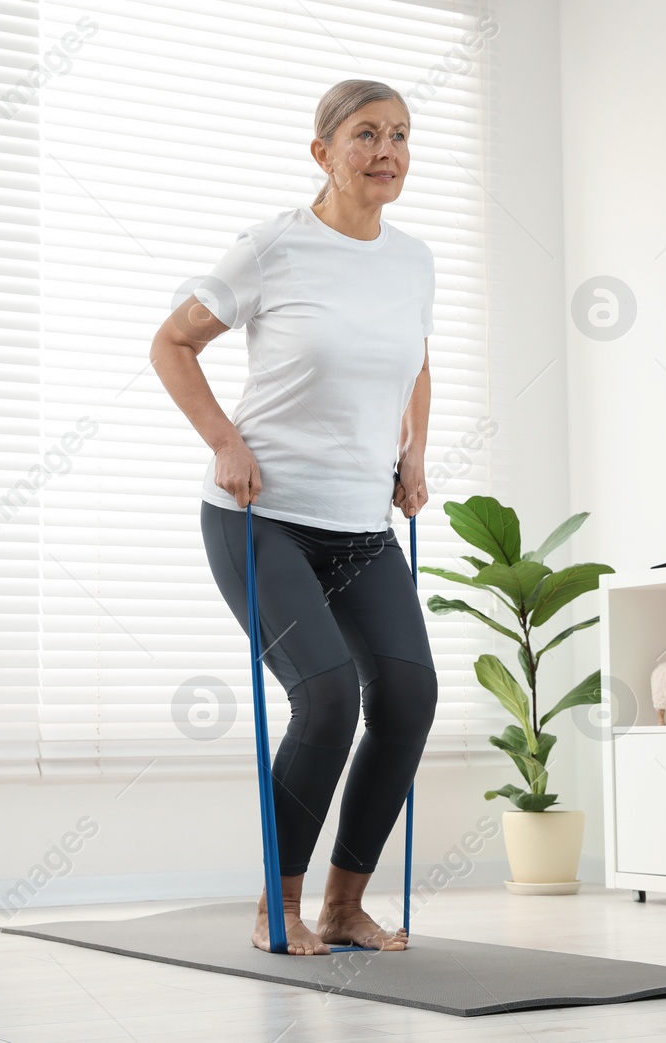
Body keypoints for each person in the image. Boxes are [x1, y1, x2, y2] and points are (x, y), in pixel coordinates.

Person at [150, 78, 438, 955]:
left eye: (398, 135)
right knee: (325, 695)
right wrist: (226, 442)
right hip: (260, 517)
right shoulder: (274, 246)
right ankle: (279, 905)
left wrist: (413, 452)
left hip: (360, 525)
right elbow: (172, 343)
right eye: (364, 135)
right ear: (323, 153)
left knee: (410, 695)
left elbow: (416, 360)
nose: (385, 151)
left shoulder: (413, 258)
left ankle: (346, 905)